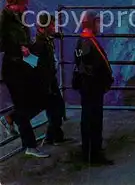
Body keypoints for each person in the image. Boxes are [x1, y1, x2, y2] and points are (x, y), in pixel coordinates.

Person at [0, 0, 49, 157]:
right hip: (13, 67)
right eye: (25, 3)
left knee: (38, 98)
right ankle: (30, 145)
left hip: (23, 65)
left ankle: (11, 118)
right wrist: (19, 49)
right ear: (18, 3)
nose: (27, 7)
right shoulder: (4, 18)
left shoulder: (16, 17)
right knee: (23, 104)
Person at [72, 10, 114, 165]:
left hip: (89, 87)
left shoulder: (84, 41)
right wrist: (102, 81)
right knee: (93, 119)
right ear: (91, 23)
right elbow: (90, 67)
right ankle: (93, 154)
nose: (100, 25)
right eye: (97, 22)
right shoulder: (88, 42)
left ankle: (90, 151)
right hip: (92, 88)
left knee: (90, 118)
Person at [31, 13, 70, 145]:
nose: (54, 27)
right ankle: (52, 138)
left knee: (55, 107)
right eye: (52, 25)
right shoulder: (39, 44)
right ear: (44, 27)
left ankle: (53, 137)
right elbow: (32, 63)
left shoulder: (45, 38)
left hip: (49, 79)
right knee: (54, 107)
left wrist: (56, 35)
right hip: (46, 81)